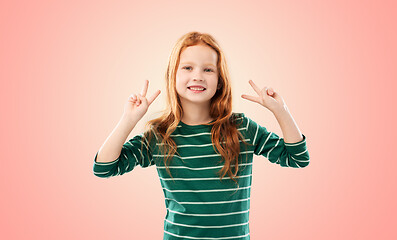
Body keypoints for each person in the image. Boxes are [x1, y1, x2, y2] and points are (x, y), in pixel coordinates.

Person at [93, 31, 310, 240]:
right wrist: (128, 120)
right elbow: (104, 168)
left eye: (208, 70)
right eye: (187, 67)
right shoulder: (159, 136)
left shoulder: (242, 128)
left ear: (220, 80)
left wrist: (281, 111)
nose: (197, 76)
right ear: (173, 75)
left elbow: (298, 158)